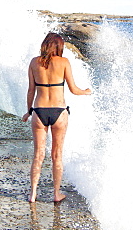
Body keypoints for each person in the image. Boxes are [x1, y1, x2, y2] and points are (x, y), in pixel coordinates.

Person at [22, 32, 92, 203]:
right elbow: (74, 89)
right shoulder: (64, 62)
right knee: (57, 155)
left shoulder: (34, 62)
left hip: (39, 112)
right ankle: (56, 194)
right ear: (59, 47)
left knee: (38, 154)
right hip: (59, 112)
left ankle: (32, 194)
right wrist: (86, 91)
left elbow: (31, 90)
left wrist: (28, 111)